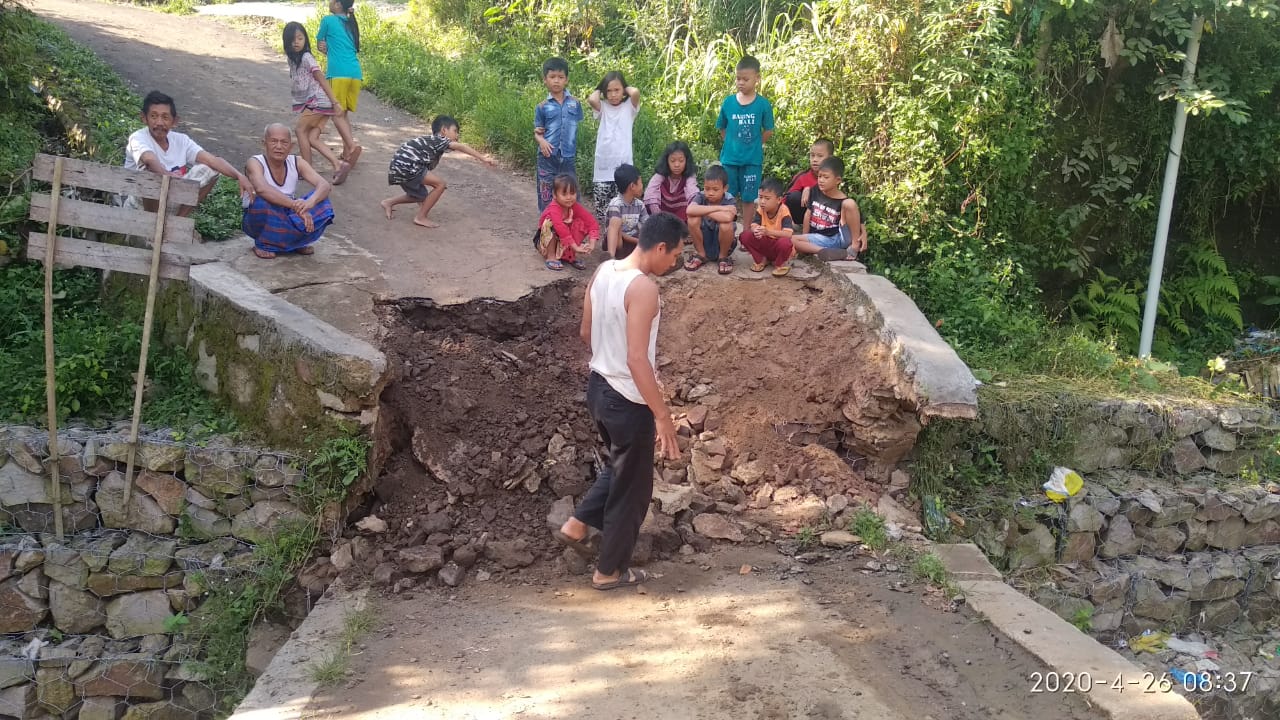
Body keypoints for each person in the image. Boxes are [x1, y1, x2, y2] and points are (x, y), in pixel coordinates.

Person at [554, 212, 686, 591]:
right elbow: (636, 358)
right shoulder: (643, 288)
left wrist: (606, 361)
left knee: (620, 468)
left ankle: (577, 526)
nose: (674, 262)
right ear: (659, 247)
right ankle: (609, 571)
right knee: (633, 490)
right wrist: (661, 415)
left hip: (597, 389)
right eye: (674, 255)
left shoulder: (604, 271)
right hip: (627, 400)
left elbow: (585, 331)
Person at [123, 91, 255, 217]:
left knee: (210, 169)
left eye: (165, 117)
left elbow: (212, 160)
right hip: (139, 207)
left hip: (170, 200)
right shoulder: (138, 137)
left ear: (174, 121)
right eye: (153, 116)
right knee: (148, 173)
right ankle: (152, 225)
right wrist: (169, 175)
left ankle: (177, 221)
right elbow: (149, 159)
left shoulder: (181, 140)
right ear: (144, 118)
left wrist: (239, 176)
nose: (159, 122)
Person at [380, 115, 495, 228]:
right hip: (408, 166)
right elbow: (461, 147)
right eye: (455, 131)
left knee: (420, 196)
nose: (457, 135)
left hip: (399, 167)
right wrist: (483, 158)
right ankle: (420, 217)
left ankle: (388, 202)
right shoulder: (439, 139)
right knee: (440, 184)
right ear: (444, 130)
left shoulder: (432, 142)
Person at [242, 124, 335, 259]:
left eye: (284, 142)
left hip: (287, 213)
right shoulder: (255, 162)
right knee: (261, 202)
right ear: (264, 144)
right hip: (261, 216)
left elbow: (324, 185)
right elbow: (262, 189)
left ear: (291, 146)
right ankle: (265, 243)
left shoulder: (297, 162)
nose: (279, 146)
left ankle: (295, 242)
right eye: (274, 141)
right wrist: (295, 206)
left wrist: (309, 203)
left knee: (323, 203)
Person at [715, 55, 774, 217]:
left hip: (752, 161)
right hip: (730, 161)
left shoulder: (763, 104)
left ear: (757, 79)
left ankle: (746, 234)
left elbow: (768, 130)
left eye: (745, 79)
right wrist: (730, 144)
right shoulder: (728, 102)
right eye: (738, 79)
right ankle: (729, 230)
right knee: (728, 196)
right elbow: (722, 127)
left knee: (749, 198)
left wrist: (755, 144)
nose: (741, 82)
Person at [282, 22, 342, 176]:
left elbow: (321, 79)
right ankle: (338, 164)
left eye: (300, 38)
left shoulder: (307, 57)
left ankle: (306, 169)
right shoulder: (292, 59)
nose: (296, 42)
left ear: (305, 40)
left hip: (318, 101)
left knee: (300, 130)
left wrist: (335, 102)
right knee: (312, 138)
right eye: (292, 40)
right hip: (317, 102)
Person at [315, 0, 363, 184]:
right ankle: (346, 152)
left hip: (338, 73)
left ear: (337, 5)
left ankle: (352, 147)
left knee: (336, 114)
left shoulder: (328, 20)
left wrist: (329, 52)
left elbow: (321, 45)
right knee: (344, 115)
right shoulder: (351, 22)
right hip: (355, 74)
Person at [587, 70, 641, 224]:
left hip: (623, 166)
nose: (612, 95)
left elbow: (635, 92)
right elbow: (592, 99)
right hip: (603, 168)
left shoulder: (629, 108)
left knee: (624, 209)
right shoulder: (602, 107)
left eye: (617, 90)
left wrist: (624, 88)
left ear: (623, 90)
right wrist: (601, 88)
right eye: (608, 91)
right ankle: (608, 241)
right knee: (603, 209)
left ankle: (623, 242)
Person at [789, 156, 866, 263]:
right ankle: (826, 252)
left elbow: (858, 218)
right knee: (792, 239)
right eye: (819, 176)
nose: (821, 180)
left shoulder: (842, 199)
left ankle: (854, 247)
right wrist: (804, 236)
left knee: (850, 203)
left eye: (826, 177)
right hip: (820, 238)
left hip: (838, 237)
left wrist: (863, 234)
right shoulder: (815, 190)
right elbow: (808, 214)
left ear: (837, 180)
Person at [534, 57, 584, 211]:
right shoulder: (542, 107)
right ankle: (547, 229)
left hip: (567, 157)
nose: (556, 81)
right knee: (546, 195)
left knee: (572, 194)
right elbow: (538, 132)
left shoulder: (575, 104)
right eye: (552, 77)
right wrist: (541, 141)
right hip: (547, 157)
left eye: (560, 77)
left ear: (566, 80)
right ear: (545, 80)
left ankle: (573, 228)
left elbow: (576, 126)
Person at [534, 174, 599, 271]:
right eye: (564, 194)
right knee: (551, 223)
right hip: (545, 240)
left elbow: (592, 222)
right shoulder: (554, 207)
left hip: (563, 240)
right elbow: (560, 228)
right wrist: (576, 247)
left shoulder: (574, 206)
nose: (569, 197)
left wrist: (592, 243)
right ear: (555, 195)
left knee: (581, 222)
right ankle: (551, 256)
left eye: (572, 193)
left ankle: (569, 256)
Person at [685, 164, 737, 274]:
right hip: (704, 239)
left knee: (726, 224)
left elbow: (728, 217)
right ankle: (701, 254)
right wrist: (717, 209)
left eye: (715, 189)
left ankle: (723, 257)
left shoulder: (729, 199)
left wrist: (703, 210)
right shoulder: (701, 196)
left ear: (725, 188)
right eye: (707, 189)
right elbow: (690, 210)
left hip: (722, 243)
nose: (710, 193)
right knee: (692, 219)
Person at [739, 177, 796, 276]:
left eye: (767, 198)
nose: (762, 202)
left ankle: (779, 264)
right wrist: (756, 230)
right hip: (765, 242)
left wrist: (768, 232)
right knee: (745, 235)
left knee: (785, 243)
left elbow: (788, 234)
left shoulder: (784, 211)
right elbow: (754, 224)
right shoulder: (761, 209)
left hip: (777, 244)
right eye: (760, 197)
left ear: (778, 199)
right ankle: (761, 259)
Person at [642, 141, 699, 221]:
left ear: (687, 161)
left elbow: (693, 194)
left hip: (683, 218)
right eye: (672, 161)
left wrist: (695, 207)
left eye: (681, 161)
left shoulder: (689, 176)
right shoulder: (659, 175)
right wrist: (659, 218)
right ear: (667, 161)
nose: (677, 165)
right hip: (662, 216)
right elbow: (651, 194)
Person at [604, 163, 649, 259]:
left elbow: (647, 225)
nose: (642, 186)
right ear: (632, 186)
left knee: (649, 233)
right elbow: (616, 232)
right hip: (616, 243)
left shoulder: (639, 205)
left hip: (632, 241)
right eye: (640, 182)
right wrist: (638, 241)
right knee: (616, 223)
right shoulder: (616, 204)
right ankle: (610, 258)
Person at [785, 138, 834, 222]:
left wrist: (810, 191)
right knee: (794, 196)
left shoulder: (834, 177)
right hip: (801, 218)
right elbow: (787, 199)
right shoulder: (802, 176)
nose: (815, 159)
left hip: (823, 218)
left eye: (820, 156)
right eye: (812, 155)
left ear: (830, 158)